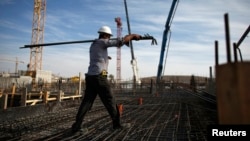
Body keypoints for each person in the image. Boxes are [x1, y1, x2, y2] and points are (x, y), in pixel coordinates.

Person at [71, 26, 141, 133]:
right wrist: (132, 36)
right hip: (99, 77)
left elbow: (97, 57)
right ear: (105, 35)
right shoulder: (102, 42)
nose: (108, 38)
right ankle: (117, 125)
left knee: (87, 102)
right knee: (110, 101)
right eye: (108, 37)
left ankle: (77, 126)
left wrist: (105, 58)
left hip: (91, 77)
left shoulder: (94, 44)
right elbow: (121, 41)